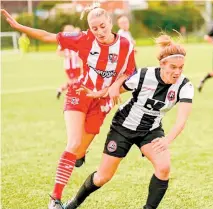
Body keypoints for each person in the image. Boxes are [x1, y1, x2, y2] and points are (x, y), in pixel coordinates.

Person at [1, 4, 136, 209]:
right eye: (94, 28)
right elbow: (48, 36)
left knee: (79, 151)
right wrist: (19, 26)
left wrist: (116, 85)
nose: (99, 31)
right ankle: (54, 199)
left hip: (102, 103)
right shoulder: (84, 39)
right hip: (79, 94)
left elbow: (130, 73)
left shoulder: (126, 45)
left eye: (102, 26)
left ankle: (81, 154)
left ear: (110, 22)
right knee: (73, 144)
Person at [63, 34, 194, 209]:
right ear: (162, 64)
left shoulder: (185, 86)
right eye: (173, 67)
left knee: (164, 168)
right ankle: (72, 203)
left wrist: (166, 139)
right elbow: (115, 88)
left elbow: (182, 120)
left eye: (181, 67)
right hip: (122, 128)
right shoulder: (143, 76)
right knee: (103, 177)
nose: (177, 72)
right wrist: (101, 92)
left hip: (150, 131)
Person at [56, 25, 81, 99]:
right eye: (69, 30)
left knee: (77, 80)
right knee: (73, 81)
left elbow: (79, 32)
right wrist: (67, 55)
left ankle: (61, 89)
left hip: (77, 65)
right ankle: (72, 96)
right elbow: (58, 52)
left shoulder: (75, 39)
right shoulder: (63, 41)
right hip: (69, 65)